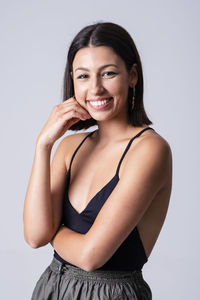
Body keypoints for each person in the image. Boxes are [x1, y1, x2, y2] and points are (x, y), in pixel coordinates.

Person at [23, 21, 173, 300]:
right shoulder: (69, 147)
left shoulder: (150, 150)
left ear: (132, 75)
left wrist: (52, 231)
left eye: (108, 73)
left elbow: (91, 256)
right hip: (51, 288)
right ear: (72, 79)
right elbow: (34, 235)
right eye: (83, 76)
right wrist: (43, 145)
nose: (95, 88)